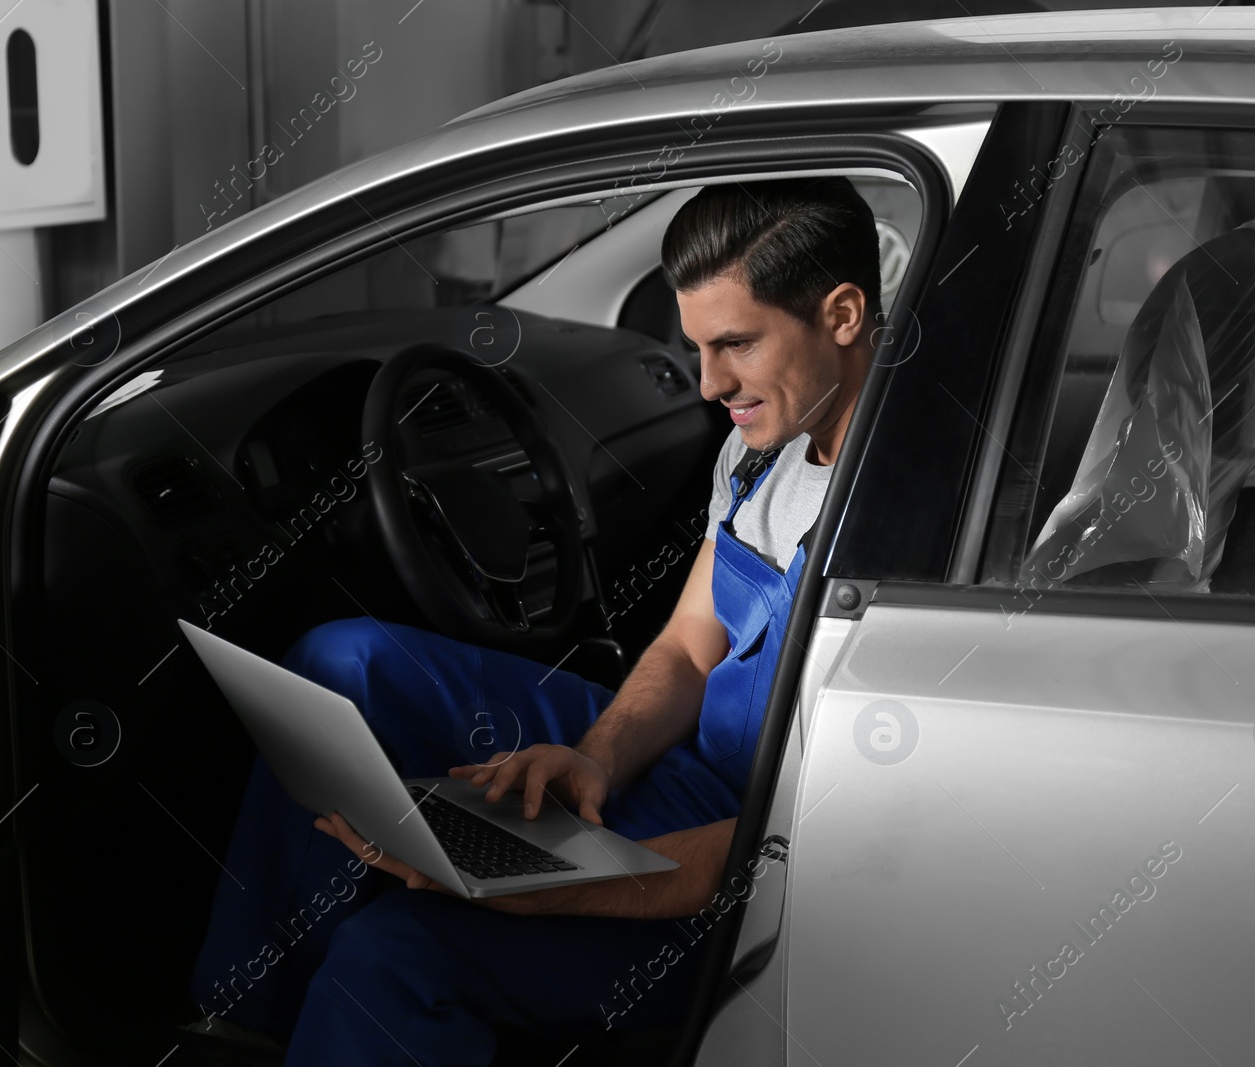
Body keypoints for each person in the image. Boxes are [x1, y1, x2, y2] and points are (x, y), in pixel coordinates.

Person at [185, 176, 883, 1064]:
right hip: (696, 766)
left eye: (736, 344)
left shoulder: (913, 520)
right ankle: (250, 1018)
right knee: (348, 663)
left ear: (844, 313)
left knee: (396, 950)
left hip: (762, 874)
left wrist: (553, 893)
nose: (709, 384)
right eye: (697, 346)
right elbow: (686, 644)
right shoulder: (765, 452)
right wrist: (595, 755)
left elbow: (809, 838)